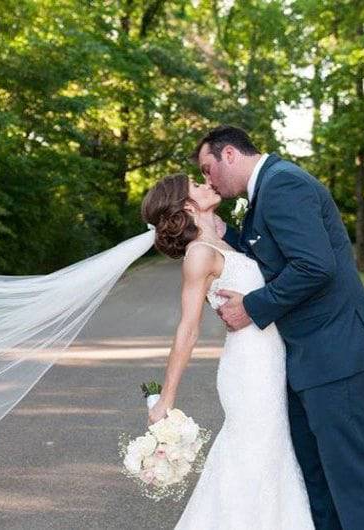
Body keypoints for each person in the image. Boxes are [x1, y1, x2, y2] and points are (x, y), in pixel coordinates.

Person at [141, 172, 315, 529]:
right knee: (253, 457)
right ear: (188, 206)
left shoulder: (221, 243)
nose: (207, 185)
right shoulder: (199, 255)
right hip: (250, 369)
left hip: (269, 360)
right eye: (197, 185)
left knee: (269, 456)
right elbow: (188, 328)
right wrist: (166, 398)